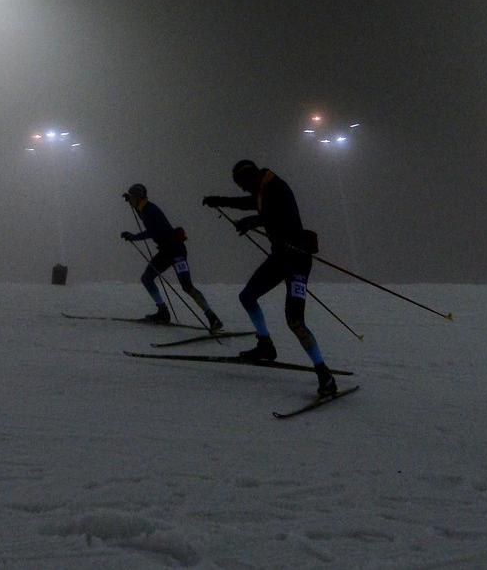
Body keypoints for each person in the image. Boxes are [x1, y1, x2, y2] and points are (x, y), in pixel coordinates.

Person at [202, 159, 337, 396]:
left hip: (297, 260)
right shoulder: (262, 188)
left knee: (295, 321)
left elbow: (279, 217)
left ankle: (324, 375)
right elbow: (250, 204)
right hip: (280, 259)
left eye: (241, 184)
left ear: (250, 177)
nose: (242, 189)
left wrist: (253, 221)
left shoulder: (277, 187)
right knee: (247, 297)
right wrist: (219, 201)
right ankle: (265, 345)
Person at [120, 184, 223, 331]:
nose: (130, 199)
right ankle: (165, 312)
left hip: (174, 251)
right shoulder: (145, 207)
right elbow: (144, 216)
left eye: (132, 197)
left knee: (184, 285)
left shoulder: (149, 210)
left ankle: (211, 317)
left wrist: (134, 237)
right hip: (170, 251)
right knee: (149, 279)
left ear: (138, 197)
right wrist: (132, 203)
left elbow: (152, 231)